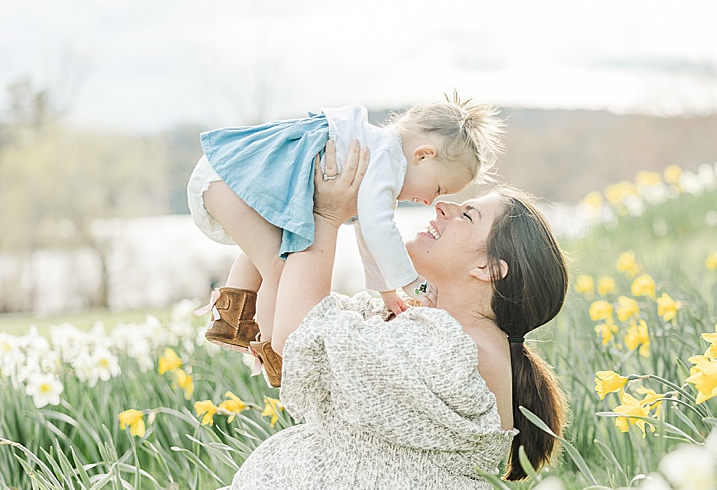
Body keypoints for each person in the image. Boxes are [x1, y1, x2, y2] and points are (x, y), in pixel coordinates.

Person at [0, 140, 568, 490]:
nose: (441, 205)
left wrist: (323, 220)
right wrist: (287, 217)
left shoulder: (461, 349)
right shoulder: (433, 326)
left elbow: (300, 332)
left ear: (490, 270)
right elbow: (281, 328)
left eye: (466, 214)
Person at [187, 92, 505, 384]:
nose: (430, 201)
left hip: (226, 174)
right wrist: (411, 283)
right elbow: (380, 231)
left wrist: (386, 291)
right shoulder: (386, 162)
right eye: (437, 189)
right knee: (281, 268)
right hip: (231, 177)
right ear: (423, 155)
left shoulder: (379, 153)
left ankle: (230, 319)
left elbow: (371, 231)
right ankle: (277, 355)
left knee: (276, 247)